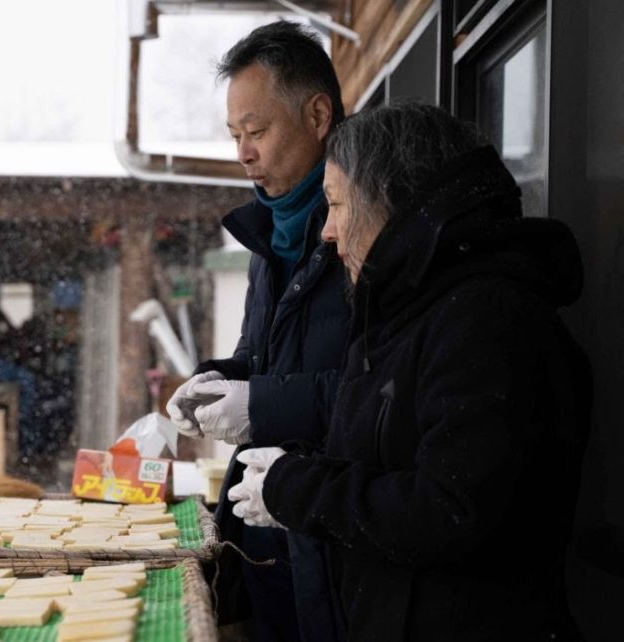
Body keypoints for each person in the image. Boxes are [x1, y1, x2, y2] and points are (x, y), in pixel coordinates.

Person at [228, 102, 590, 640]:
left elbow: (452, 509)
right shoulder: (403, 314)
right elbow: (382, 452)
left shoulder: (485, 319)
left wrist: (300, 491)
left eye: (336, 205)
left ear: (392, 200)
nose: (327, 233)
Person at [166, 21, 350, 641]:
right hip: (266, 529)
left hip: (340, 542)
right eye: (235, 135)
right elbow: (263, 357)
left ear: (318, 115)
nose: (243, 153)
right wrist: (218, 383)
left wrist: (263, 404)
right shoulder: (269, 232)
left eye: (258, 131)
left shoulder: (364, 229)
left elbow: (387, 392)